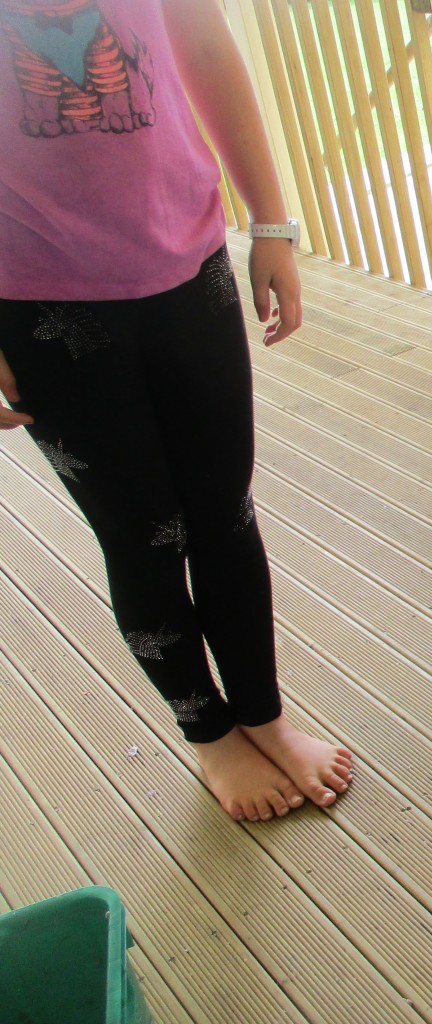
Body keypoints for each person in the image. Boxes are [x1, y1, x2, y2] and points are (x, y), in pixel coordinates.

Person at [0, 0, 352, 823]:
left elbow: (206, 47)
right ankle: (210, 734)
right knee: (142, 535)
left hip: (188, 263)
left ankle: (262, 715)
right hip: (34, 298)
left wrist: (271, 222)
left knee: (227, 512)